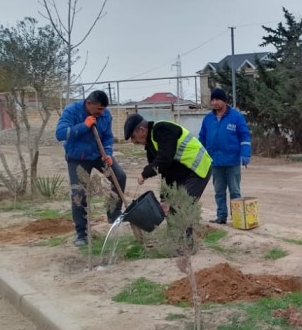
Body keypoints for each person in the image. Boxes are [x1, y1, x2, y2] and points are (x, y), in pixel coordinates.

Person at [55, 90, 126, 246]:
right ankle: (82, 233)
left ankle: (113, 213)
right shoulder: (72, 111)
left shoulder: (105, 115)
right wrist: (84, 126)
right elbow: (60, 134)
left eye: (104, 109)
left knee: (119, 176)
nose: (102, 112)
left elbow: (107, 136)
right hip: (77, 157)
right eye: (99, 109)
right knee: (79, 193)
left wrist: (107, 153)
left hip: (98, 154)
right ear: (88, 104)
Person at [123, 114, 212, 238]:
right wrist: (165, 198)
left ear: (142, 130)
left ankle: (186, 246)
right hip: (183, 174)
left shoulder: (162, 129)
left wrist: (145, 173)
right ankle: (174, 242)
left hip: (197, 168)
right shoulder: (150, 145)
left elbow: (165, 159)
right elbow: (164, 171)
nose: (134, 141)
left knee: (182, 205)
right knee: (171, 208)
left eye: (133, 137)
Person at [198, 88, 251, 224]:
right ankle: (221, 216)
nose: (214, 102)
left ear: (224, 101)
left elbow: (244, 136)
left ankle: (237, 218)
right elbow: (202, 138)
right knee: (219, 192)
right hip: (214, 161)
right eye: (213, 100)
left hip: (232, 161)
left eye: (217, 99)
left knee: (234, 191)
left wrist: (245, 154)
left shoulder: (236, 117)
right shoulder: (208, 119)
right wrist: (200, 155)